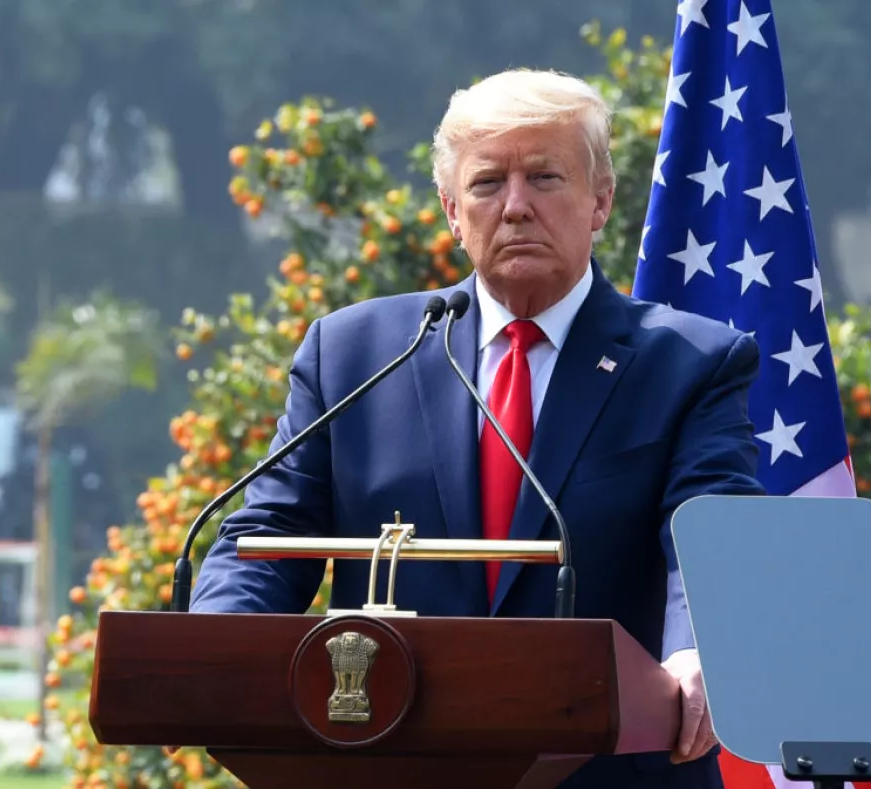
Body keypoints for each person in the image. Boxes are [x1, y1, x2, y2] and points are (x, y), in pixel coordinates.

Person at [190, 68, 766, 789]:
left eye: (546, 177)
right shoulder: (356, 354)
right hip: (389, 760)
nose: (517, 207)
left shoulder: (690, 363)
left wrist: (697, 652)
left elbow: (709, 536)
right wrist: (214, 648)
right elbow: (268, 536)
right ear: (451, 210)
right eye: (489, 183)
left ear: (601, 202)